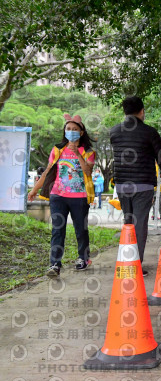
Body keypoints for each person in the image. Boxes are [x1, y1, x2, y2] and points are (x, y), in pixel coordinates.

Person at [28, 114, 96, 277]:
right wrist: (35, 189)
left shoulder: (88, 151)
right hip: (58, 195)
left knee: (81, 230)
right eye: (68, 129)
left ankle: (83, 258)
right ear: (64, 131)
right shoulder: (57, 149)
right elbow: (48, 171)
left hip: (79, 197)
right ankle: (54, 264)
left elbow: (87, 171)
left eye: (74, 129)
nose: (71, 132)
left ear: (81, 133)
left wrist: (77, 154)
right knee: (57, 230)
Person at [110, 96, 161, 276]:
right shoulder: (149, 132)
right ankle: (135, 264)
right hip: (142, 185)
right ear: (142, 111)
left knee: (128, 222)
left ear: (124, 111)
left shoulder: (114, 131)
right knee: (140, 224)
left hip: (121, 184)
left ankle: (126, 260)